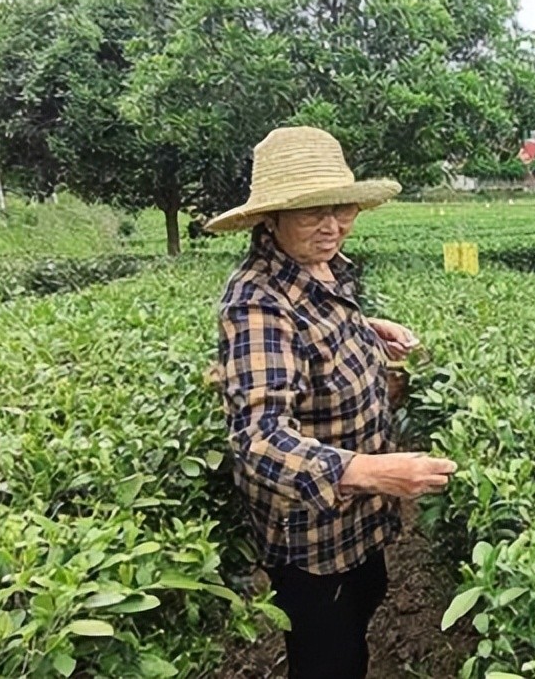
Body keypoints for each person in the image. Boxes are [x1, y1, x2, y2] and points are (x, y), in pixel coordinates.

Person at [204, 126, 457, 679]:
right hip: (314, 535)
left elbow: (311, 333)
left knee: (365, 602)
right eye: (311, 212)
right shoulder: (256, 304)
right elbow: (258, 436)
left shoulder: (319, 268)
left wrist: (365, 329)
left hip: (359, 519)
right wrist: (371, 471)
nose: (333, 225)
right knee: (328, 658)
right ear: (270, 219)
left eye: (342, 208)